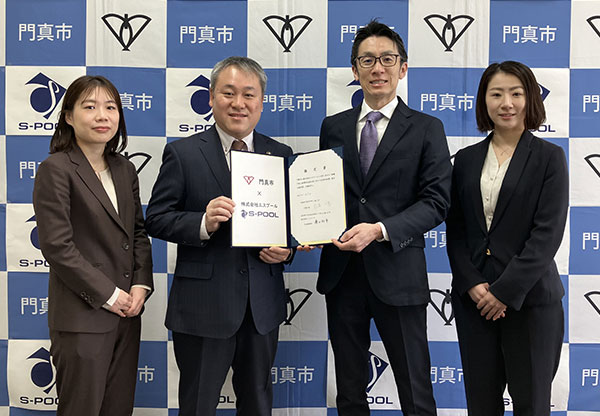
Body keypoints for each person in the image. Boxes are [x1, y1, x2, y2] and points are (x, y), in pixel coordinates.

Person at [316, 20, 452, 415]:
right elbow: (323, 194)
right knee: (349, 391)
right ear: (354, 70)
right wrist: (310, 228)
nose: (378, 68)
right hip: (342, 273)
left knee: (415, 389)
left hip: (399, 272)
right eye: (367, 60)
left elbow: (437, 202)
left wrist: (379, 230)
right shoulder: (333, 127)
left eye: (387, 59)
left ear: (402, 68)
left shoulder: (427, 128)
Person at [145, 56, 293, 416]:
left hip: (261, 308)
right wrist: (202, 222)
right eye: (228, 93)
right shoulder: (183, 153)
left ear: (261, 102)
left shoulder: (280, 155)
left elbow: (291, 226)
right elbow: (156, 219)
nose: (238, 103)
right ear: (211, 97)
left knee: (258, 405)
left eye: (248, 94)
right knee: (197, 406)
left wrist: (286, 250)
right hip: (203, 307)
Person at [446, 61, 568, 415]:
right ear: (484, 101)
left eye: (516, 94)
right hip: (475, 302)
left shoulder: (549, 158)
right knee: (481, 405)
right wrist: (471, 283)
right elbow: (456, 230)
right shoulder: (466, 159)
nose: (506, 103)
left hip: (530, 301)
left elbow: (546, 235)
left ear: (530, 99)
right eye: (496, 94)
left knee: (531, 405)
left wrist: (503, 292)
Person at [32, 75, 153, 416]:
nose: (102, 116)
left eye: (110, 107)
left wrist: (141, 286)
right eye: (90, 107)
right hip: (83, 317)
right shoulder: (56, 169)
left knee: (118, 409)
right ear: (69, 117)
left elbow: (137, 232)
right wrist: (111, 295)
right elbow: (57, 247)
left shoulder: (124, 169)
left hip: (127, 315)